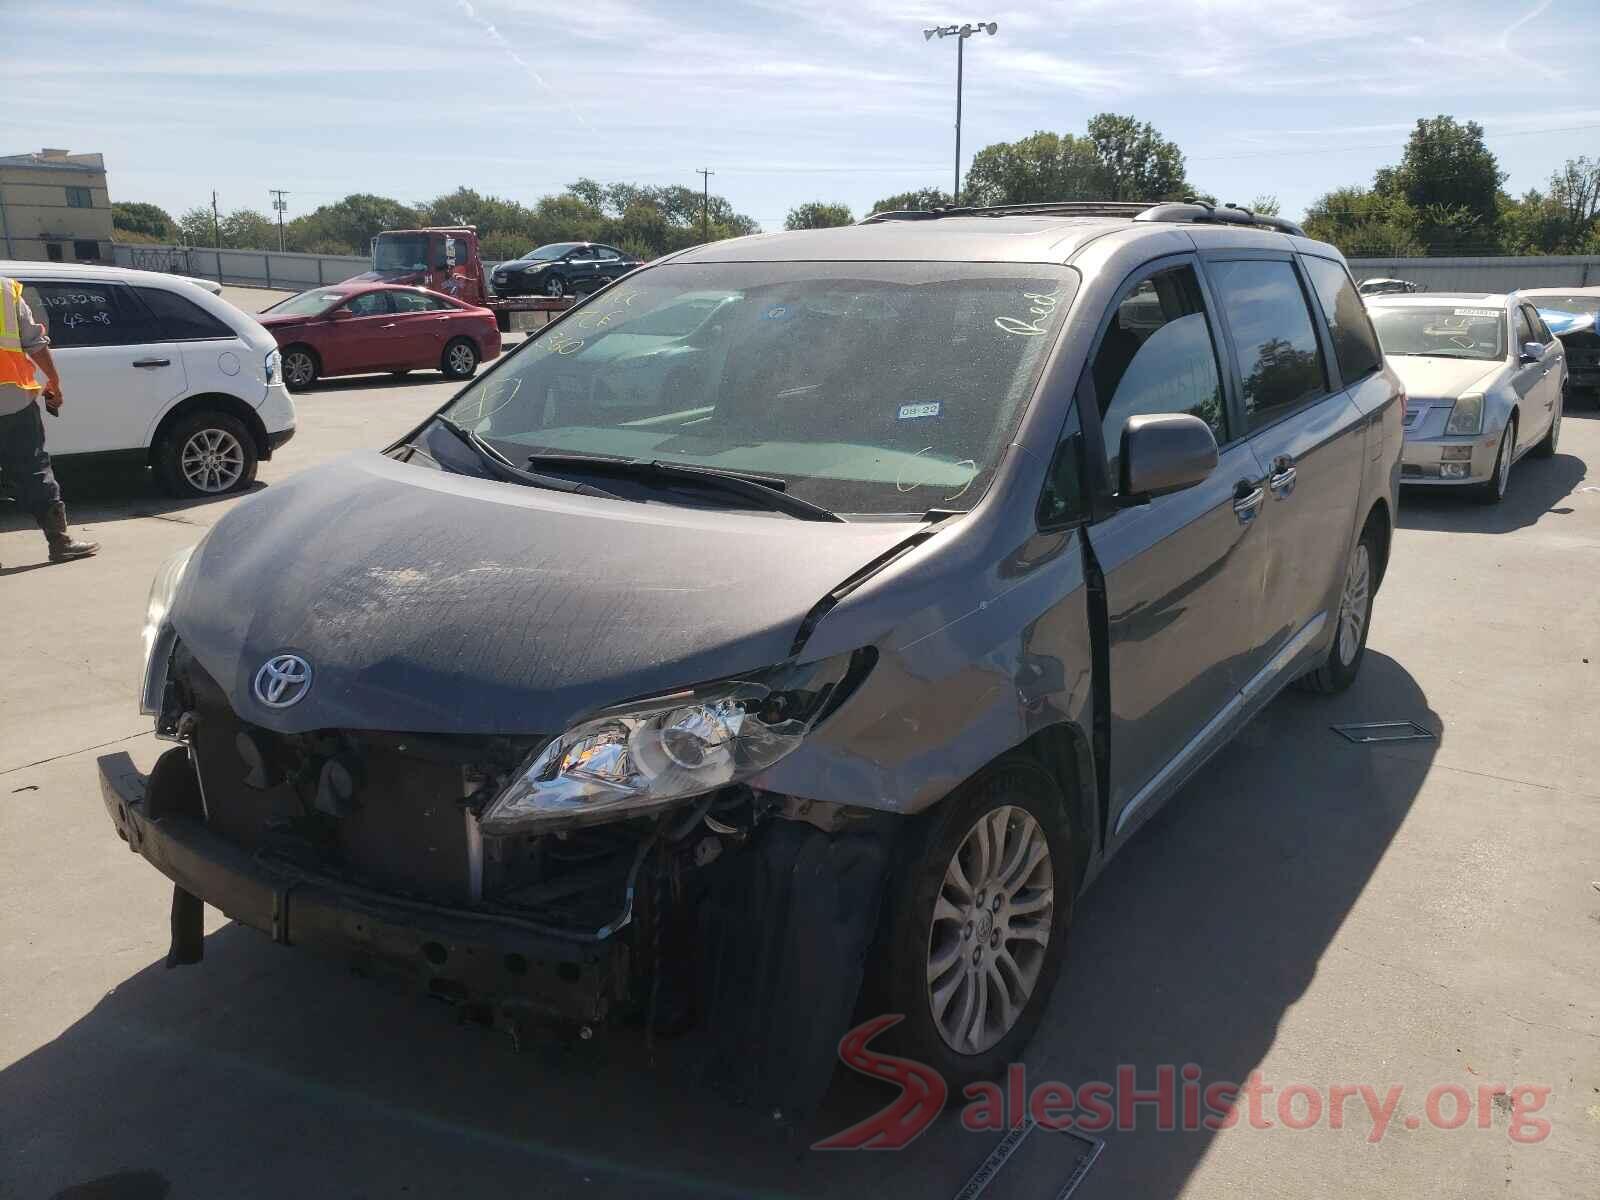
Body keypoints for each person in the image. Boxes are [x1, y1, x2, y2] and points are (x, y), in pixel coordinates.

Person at [0, 274, 99, 565]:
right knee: (33, 469)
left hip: (12, 398)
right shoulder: (5, 289)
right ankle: (60, 542)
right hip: (11, 397)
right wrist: (53, 380)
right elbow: (34, 342)